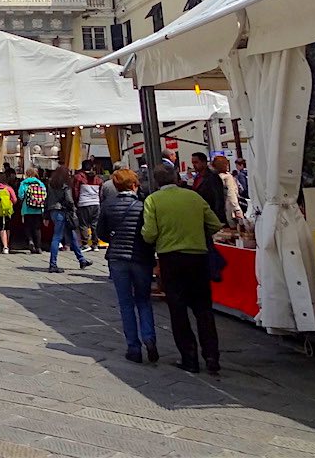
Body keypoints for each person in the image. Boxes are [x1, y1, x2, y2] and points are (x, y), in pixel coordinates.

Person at [142, 164, 223, 374]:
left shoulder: (153, 200)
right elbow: (215, 224)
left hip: (171, 258)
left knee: (178, 310)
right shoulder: (193, 197)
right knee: (203, 309)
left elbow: (149, 233)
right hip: (197, 256)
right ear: (176, 177)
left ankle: (190, 358)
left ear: (156, 181)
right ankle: (212, 356)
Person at [96, 169, 158, 364]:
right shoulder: (142, 205)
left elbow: (102, 233)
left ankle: (133, 347)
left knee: (125, 303)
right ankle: (149, 337)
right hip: (141, 257)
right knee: (143, 300)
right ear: (133, 185)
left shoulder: (107, 205)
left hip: (117, 258)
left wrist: (115, 237)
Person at [46, 167, 92, 273]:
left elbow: (47, 199)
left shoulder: (51, 184)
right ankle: (53, 264)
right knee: (57, 237)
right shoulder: (65, 185)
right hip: (63, 212)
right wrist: (73, 209)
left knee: (72, 236)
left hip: (53, 211)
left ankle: (82, 260)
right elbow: (69, 199)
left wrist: (46, 215)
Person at [72, 159, 103, 251]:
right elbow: (101, 192)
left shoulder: (78, 177)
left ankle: (85, 243)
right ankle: (95, 244)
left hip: (83, 203)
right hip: (96, 203)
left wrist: (76, 201)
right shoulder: (98, 179)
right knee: (95, 224)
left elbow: (75, 191)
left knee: (83, 224)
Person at [17, 168, 47, 254]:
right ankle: (38, 247)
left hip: (27, 209)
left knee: (27, 226)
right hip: (38, 209)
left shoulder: (24, 183)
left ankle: (30, 241)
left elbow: (21, 195)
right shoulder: (40, 183)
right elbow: (45, 195)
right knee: (37, 228)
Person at [0, 172, 18, 255]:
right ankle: (7, 244)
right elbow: (15, 199)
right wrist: (10, 203)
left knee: (1, 228)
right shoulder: (8, 188)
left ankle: (4, 247)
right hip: (8, 210)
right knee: (7, 227)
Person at [211, 156, 243, 227]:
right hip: (229, 207)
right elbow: (231, 194)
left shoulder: (214, 177)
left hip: (219, 208)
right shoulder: (228, 177)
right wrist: (237, 208)